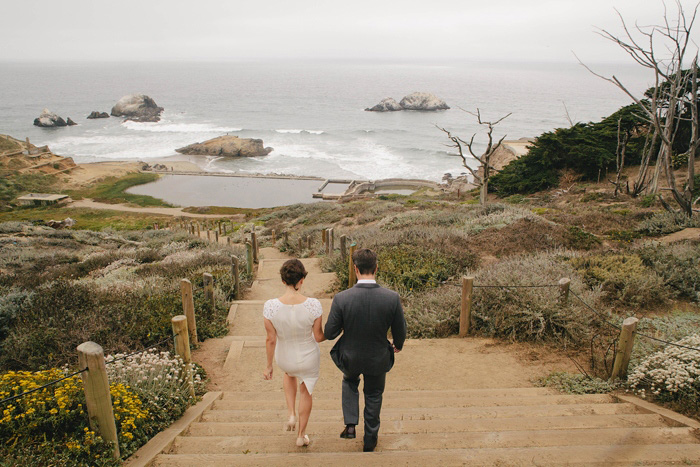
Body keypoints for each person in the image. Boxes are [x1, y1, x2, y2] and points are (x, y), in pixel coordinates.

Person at [324, 248, 406, 452]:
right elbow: (400, 331)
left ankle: (350, 425)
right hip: (378, 357)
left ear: (355, 269)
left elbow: (330, 333)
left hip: (350, 357)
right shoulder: (392, 297)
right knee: (374, 393)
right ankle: (370, 439)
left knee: (349, 381)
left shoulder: (342, 298)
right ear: (376, 268)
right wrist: (398, 345)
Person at [263, 259, 325, 447]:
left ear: (283, 281)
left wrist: (268, 366)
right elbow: (318, 336)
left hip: (284, 357)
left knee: (289, 374)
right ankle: (301, 435)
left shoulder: (270, 306)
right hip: (308, 357)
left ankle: (291, 414)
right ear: (302, 280)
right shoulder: (313, 305)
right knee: (306, 390)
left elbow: (270, 339)